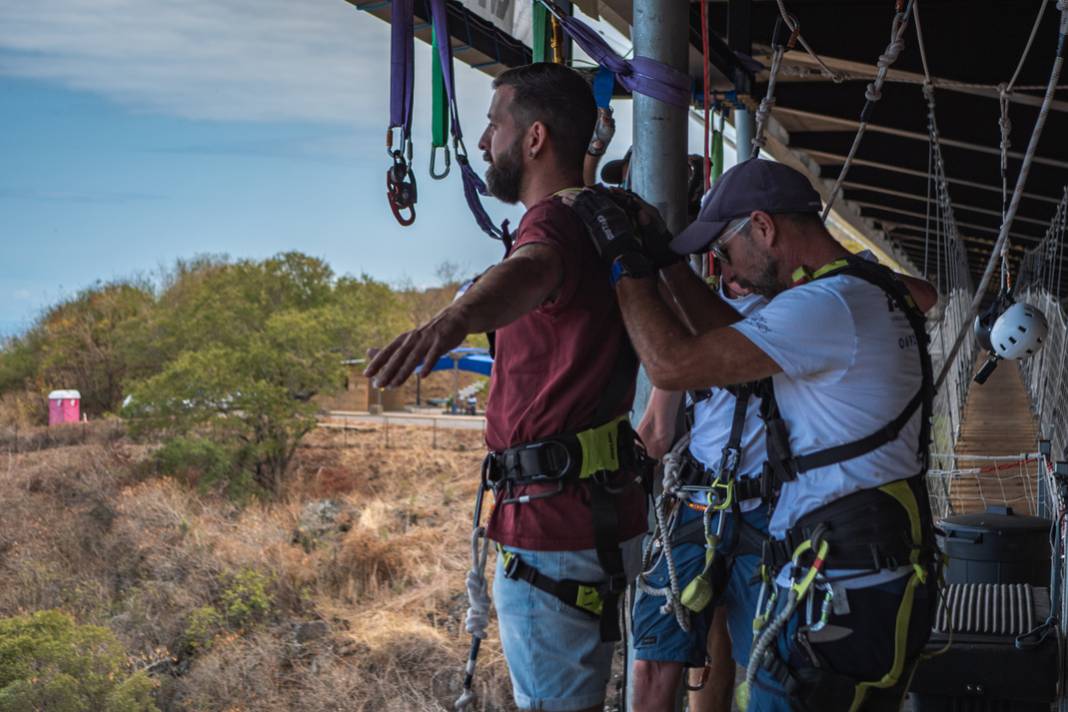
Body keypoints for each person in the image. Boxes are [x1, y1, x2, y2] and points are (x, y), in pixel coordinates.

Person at [572, 157, 938, 711]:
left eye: (724, 248)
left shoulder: (827, 306)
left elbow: (670, 365)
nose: (724, 264)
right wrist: (668, 262)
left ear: (764, 228)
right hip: (860, 564)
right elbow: (733, 334)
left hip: (841, 577)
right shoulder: (858, 293)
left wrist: (626, 264)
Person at [364, 62, 648, 712]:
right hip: (597, 515)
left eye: (495, 123)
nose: (485, 141)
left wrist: (457, 318)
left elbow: (533, 269)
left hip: (556, 531)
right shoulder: (605, 217)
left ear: (536, 139)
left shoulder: (554, 227)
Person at [631, 262, 770, 712]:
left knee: (771, 664)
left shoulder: (794, 310)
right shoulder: (686, 324)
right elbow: (656, 430)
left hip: (767, 510)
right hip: (697, 508)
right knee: (652, 658)